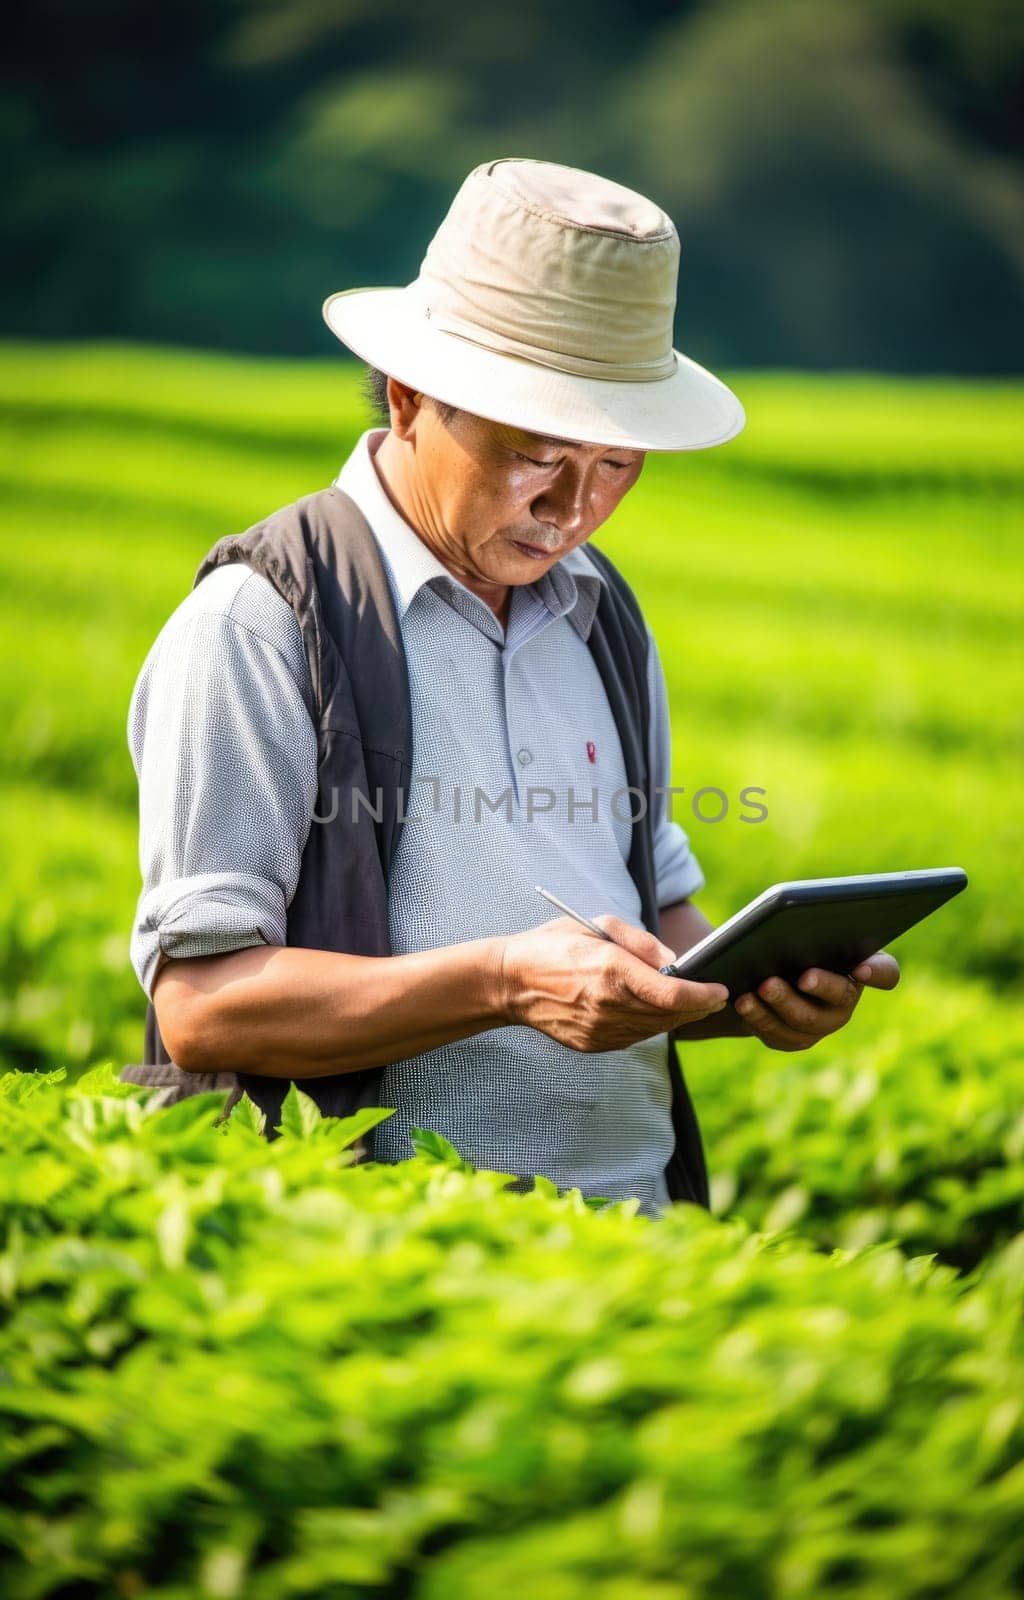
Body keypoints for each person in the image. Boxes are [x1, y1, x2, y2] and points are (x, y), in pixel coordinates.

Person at [122, 158, 899, 1217]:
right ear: (408, 399)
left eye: (616, 466)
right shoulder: (259, 624)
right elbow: (205, 1007)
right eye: (536, 456)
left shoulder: (601, 617)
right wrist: (503, 981)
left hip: (641, 1234)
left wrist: (747, 990)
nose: (571, 509)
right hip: (393, 1255)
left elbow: (656, 913)